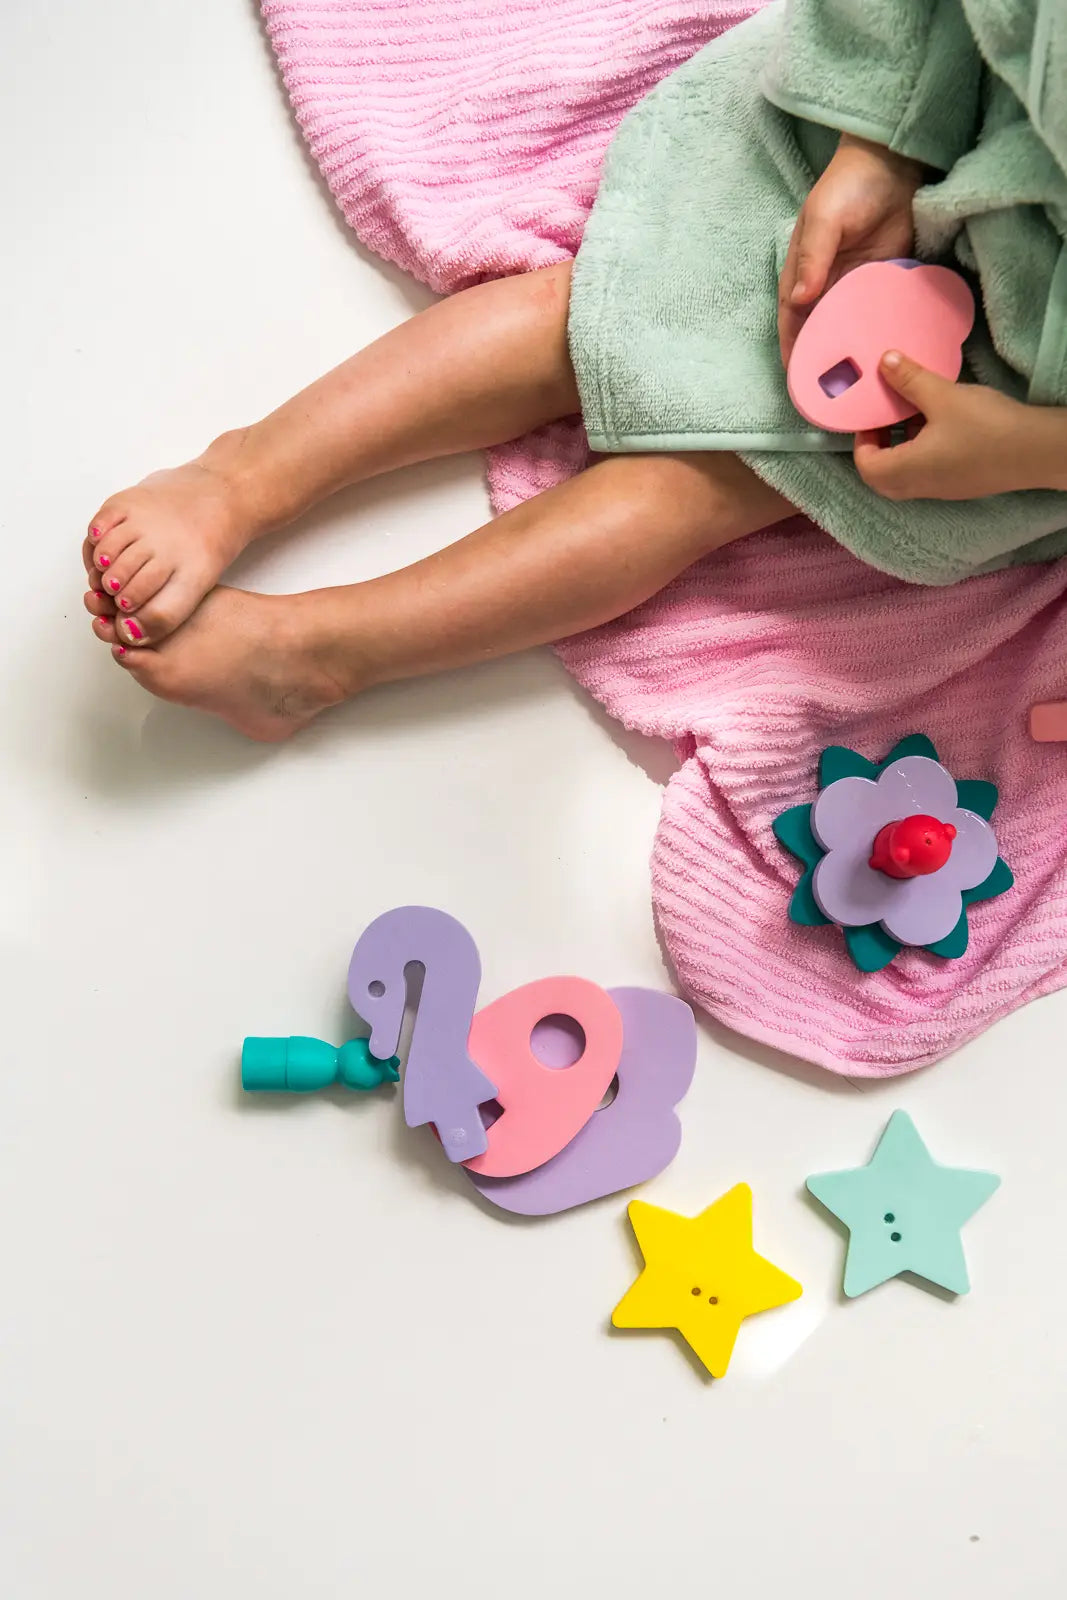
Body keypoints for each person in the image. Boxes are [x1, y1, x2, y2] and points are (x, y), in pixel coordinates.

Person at [83, 0, 1067, 741]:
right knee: (594, 311)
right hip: (924, 117)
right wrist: (878, 141)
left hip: (1012, 392)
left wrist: (1023, 448)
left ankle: (315, 655)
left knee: (705, 483)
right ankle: (239, 478)